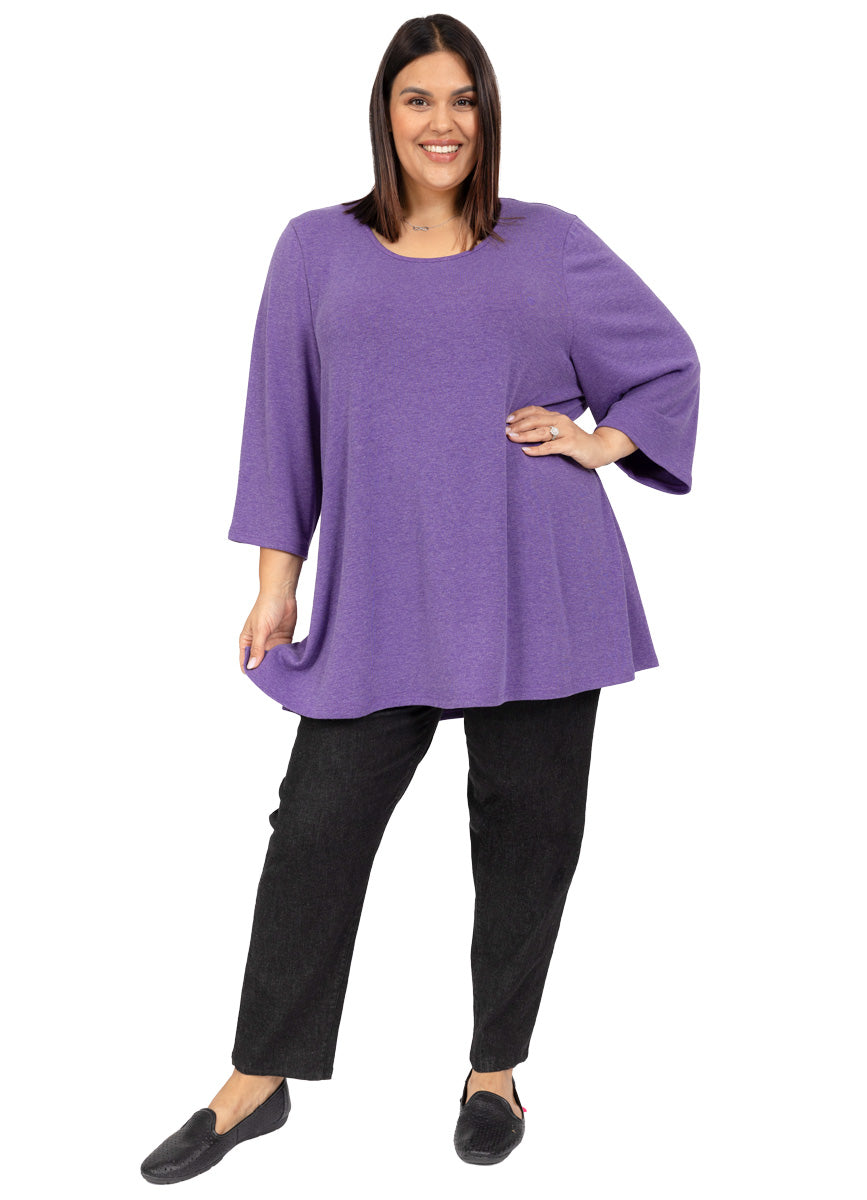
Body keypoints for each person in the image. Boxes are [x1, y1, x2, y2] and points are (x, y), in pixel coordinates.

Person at [140, 11, 700, 1184]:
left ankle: (495, 1071)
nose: (442, 122)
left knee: (529, 834)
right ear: (385, 115)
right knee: (316, 826)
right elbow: (280, 422)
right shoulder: (315, 249)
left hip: (538, 584)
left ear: (486, 116)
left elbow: (666, 361)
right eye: (419, 99)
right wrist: (275, 583)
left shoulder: (549, 244)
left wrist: (601, 442)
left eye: (463, 100)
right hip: (381, 599)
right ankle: (258, 1078)